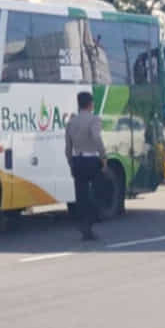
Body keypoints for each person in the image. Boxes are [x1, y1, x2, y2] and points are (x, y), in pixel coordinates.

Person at [65, 91, 106, 241]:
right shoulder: (94, 120)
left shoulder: (71, 122)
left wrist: (71, 163)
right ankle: (93, 219)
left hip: (77, 160)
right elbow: (96, 137)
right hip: (91, 161)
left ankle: (85, 226)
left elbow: (68, 148)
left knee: (81, 195)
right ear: (90, 104)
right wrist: (103, 156)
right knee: (98, 191)